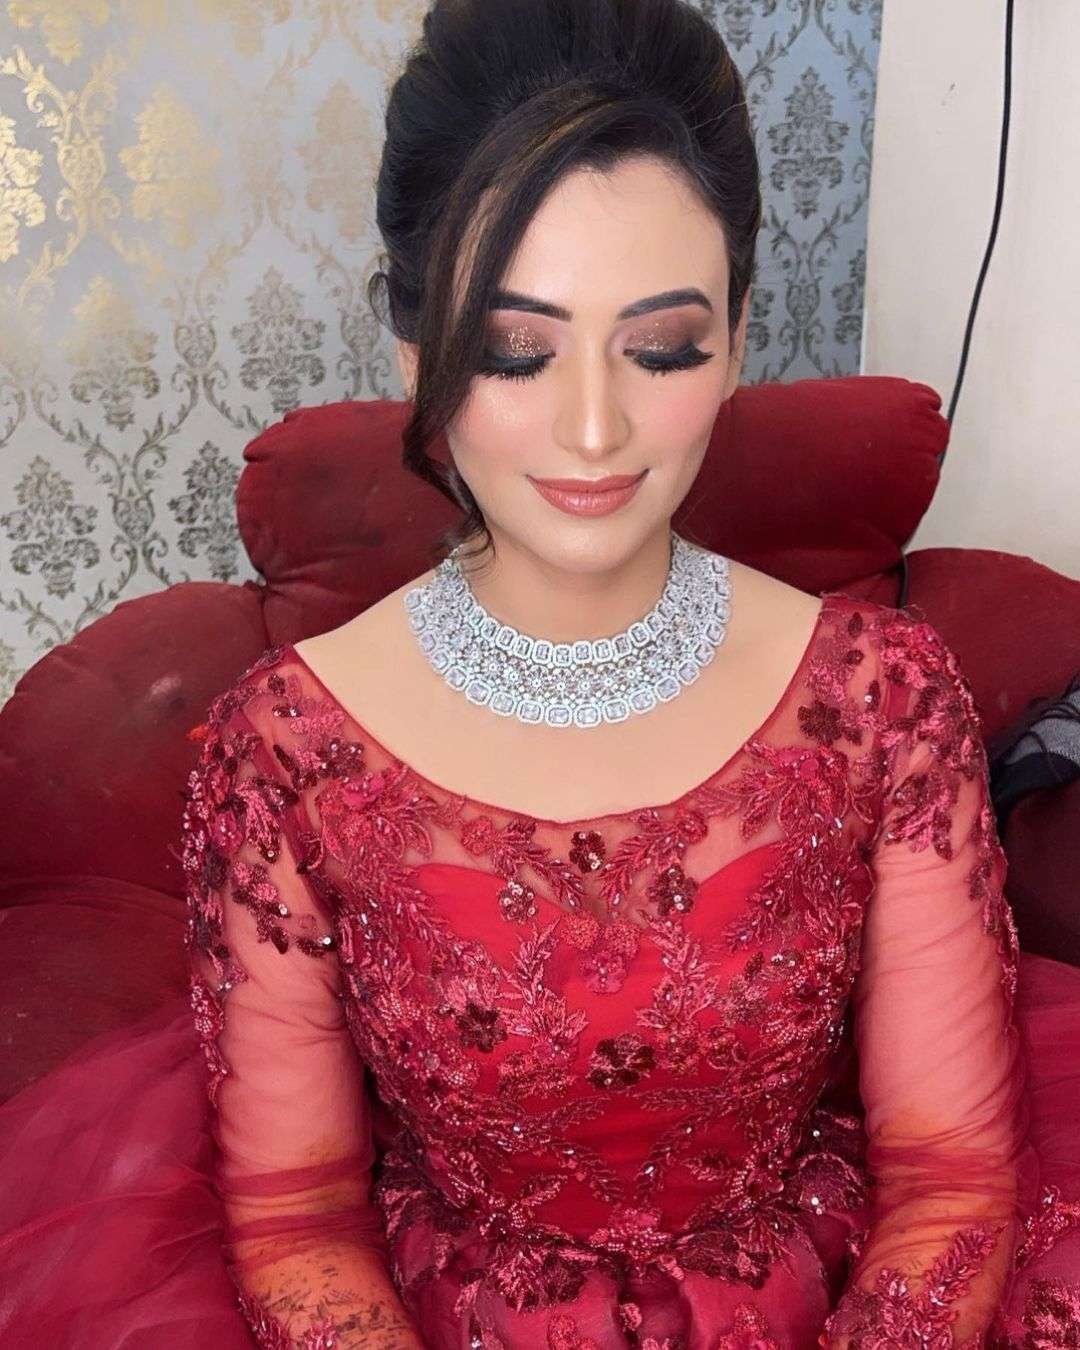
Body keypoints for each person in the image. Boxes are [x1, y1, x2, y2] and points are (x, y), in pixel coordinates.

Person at [2, 1, 1080, 1347]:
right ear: (416, 353)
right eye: (516, 349)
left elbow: (950, 1179)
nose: (593, 428)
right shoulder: (288, 748)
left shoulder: (880, 700)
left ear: (739, 337)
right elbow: (296, 1219)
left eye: (661, 345)